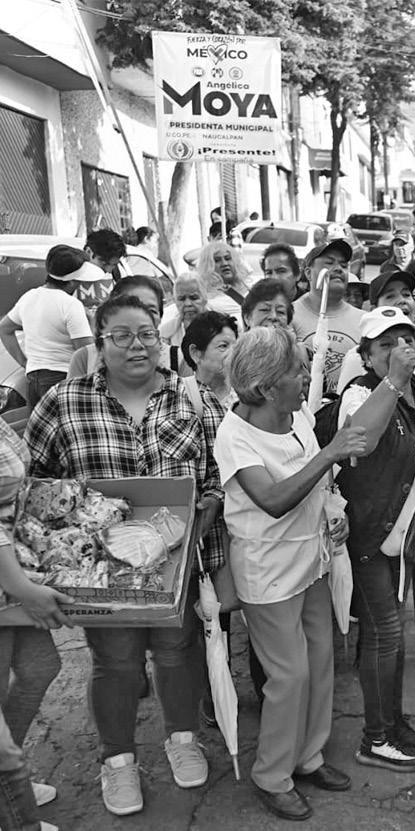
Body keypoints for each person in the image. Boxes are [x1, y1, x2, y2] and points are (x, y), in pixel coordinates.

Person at [25, 294, 225, 817]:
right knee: (116, 661)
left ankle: (183, 738)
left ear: (161, 340)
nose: (137, 346)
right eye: (122, 335)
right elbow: (34, 485)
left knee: (177, 651)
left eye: (147, 334)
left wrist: (208, 504)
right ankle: (117, 761)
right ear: (99, 343)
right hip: (100, 570)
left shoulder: (192, 397)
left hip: (176, 561)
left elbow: (218, 472)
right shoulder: (64, 402)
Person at [214, 326, 364, 821]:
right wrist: (331, 452)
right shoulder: (234, 436)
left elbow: (317, 481)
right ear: (264, 387)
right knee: (289, 674)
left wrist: (334, 510)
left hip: (311, 559)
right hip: (269, 572)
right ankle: (272, 775)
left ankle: (309, 756)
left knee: (320, 662)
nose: (307, 377)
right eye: (297, 370)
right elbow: (273, 499)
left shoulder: (296, 415)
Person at [335, 307, 415, 768]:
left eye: (406, 341)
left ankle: (392, 721)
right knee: (384, 635)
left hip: (406, 536)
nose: (399, 350)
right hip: (372, 534)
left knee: (395, 636)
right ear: (366, 356)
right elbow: (361, 441)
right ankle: (375, 737)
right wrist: (393, 380)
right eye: (385, 345)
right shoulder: (358, 393)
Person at [0, 417, 75, 831]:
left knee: (41, 666)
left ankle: (9, 785)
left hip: (14, 573)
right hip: (8, 578)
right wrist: (22, 587)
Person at [337, 271, 415, 417]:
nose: (402, 300)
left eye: (406, 294)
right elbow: (346, 417)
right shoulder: (356, 357)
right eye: (390, 296)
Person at [0, 246, 99, 407]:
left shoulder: (29, 297)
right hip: (63, 380)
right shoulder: (70, 304)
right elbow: (85, 352)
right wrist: (93, 323)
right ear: (72, 281)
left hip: (33, 381)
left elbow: (4, 329)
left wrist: (25, 363)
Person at [291, 240, 362, 392]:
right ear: (308, 273)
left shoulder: (364, 320)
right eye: (329, 263)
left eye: (343, 265)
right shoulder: (290, 316)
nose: (338, 269)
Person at [66, 275, 168, 379]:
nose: (142, 317)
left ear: (160, 316)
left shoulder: (174, 358)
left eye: (151, 311)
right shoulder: (86, 358)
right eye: (132, 307)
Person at [182, 312, 239, 409]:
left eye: (236, 347)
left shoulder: (246, 397)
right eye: (223, 346)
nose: (233, 353)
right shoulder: (178, 399)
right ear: (195, 353)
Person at [195, 242, 250, 327]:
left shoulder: (251, 287)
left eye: (228, 258)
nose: (224, 263)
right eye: (217, 260)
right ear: (207, 266)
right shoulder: (208, 301)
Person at [159, 273, 208, 359]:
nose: (188, 304)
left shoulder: (224, 326)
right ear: (175, 301)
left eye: (194, 298)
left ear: (205, 298)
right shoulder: (165, 333)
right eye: (181, 299)